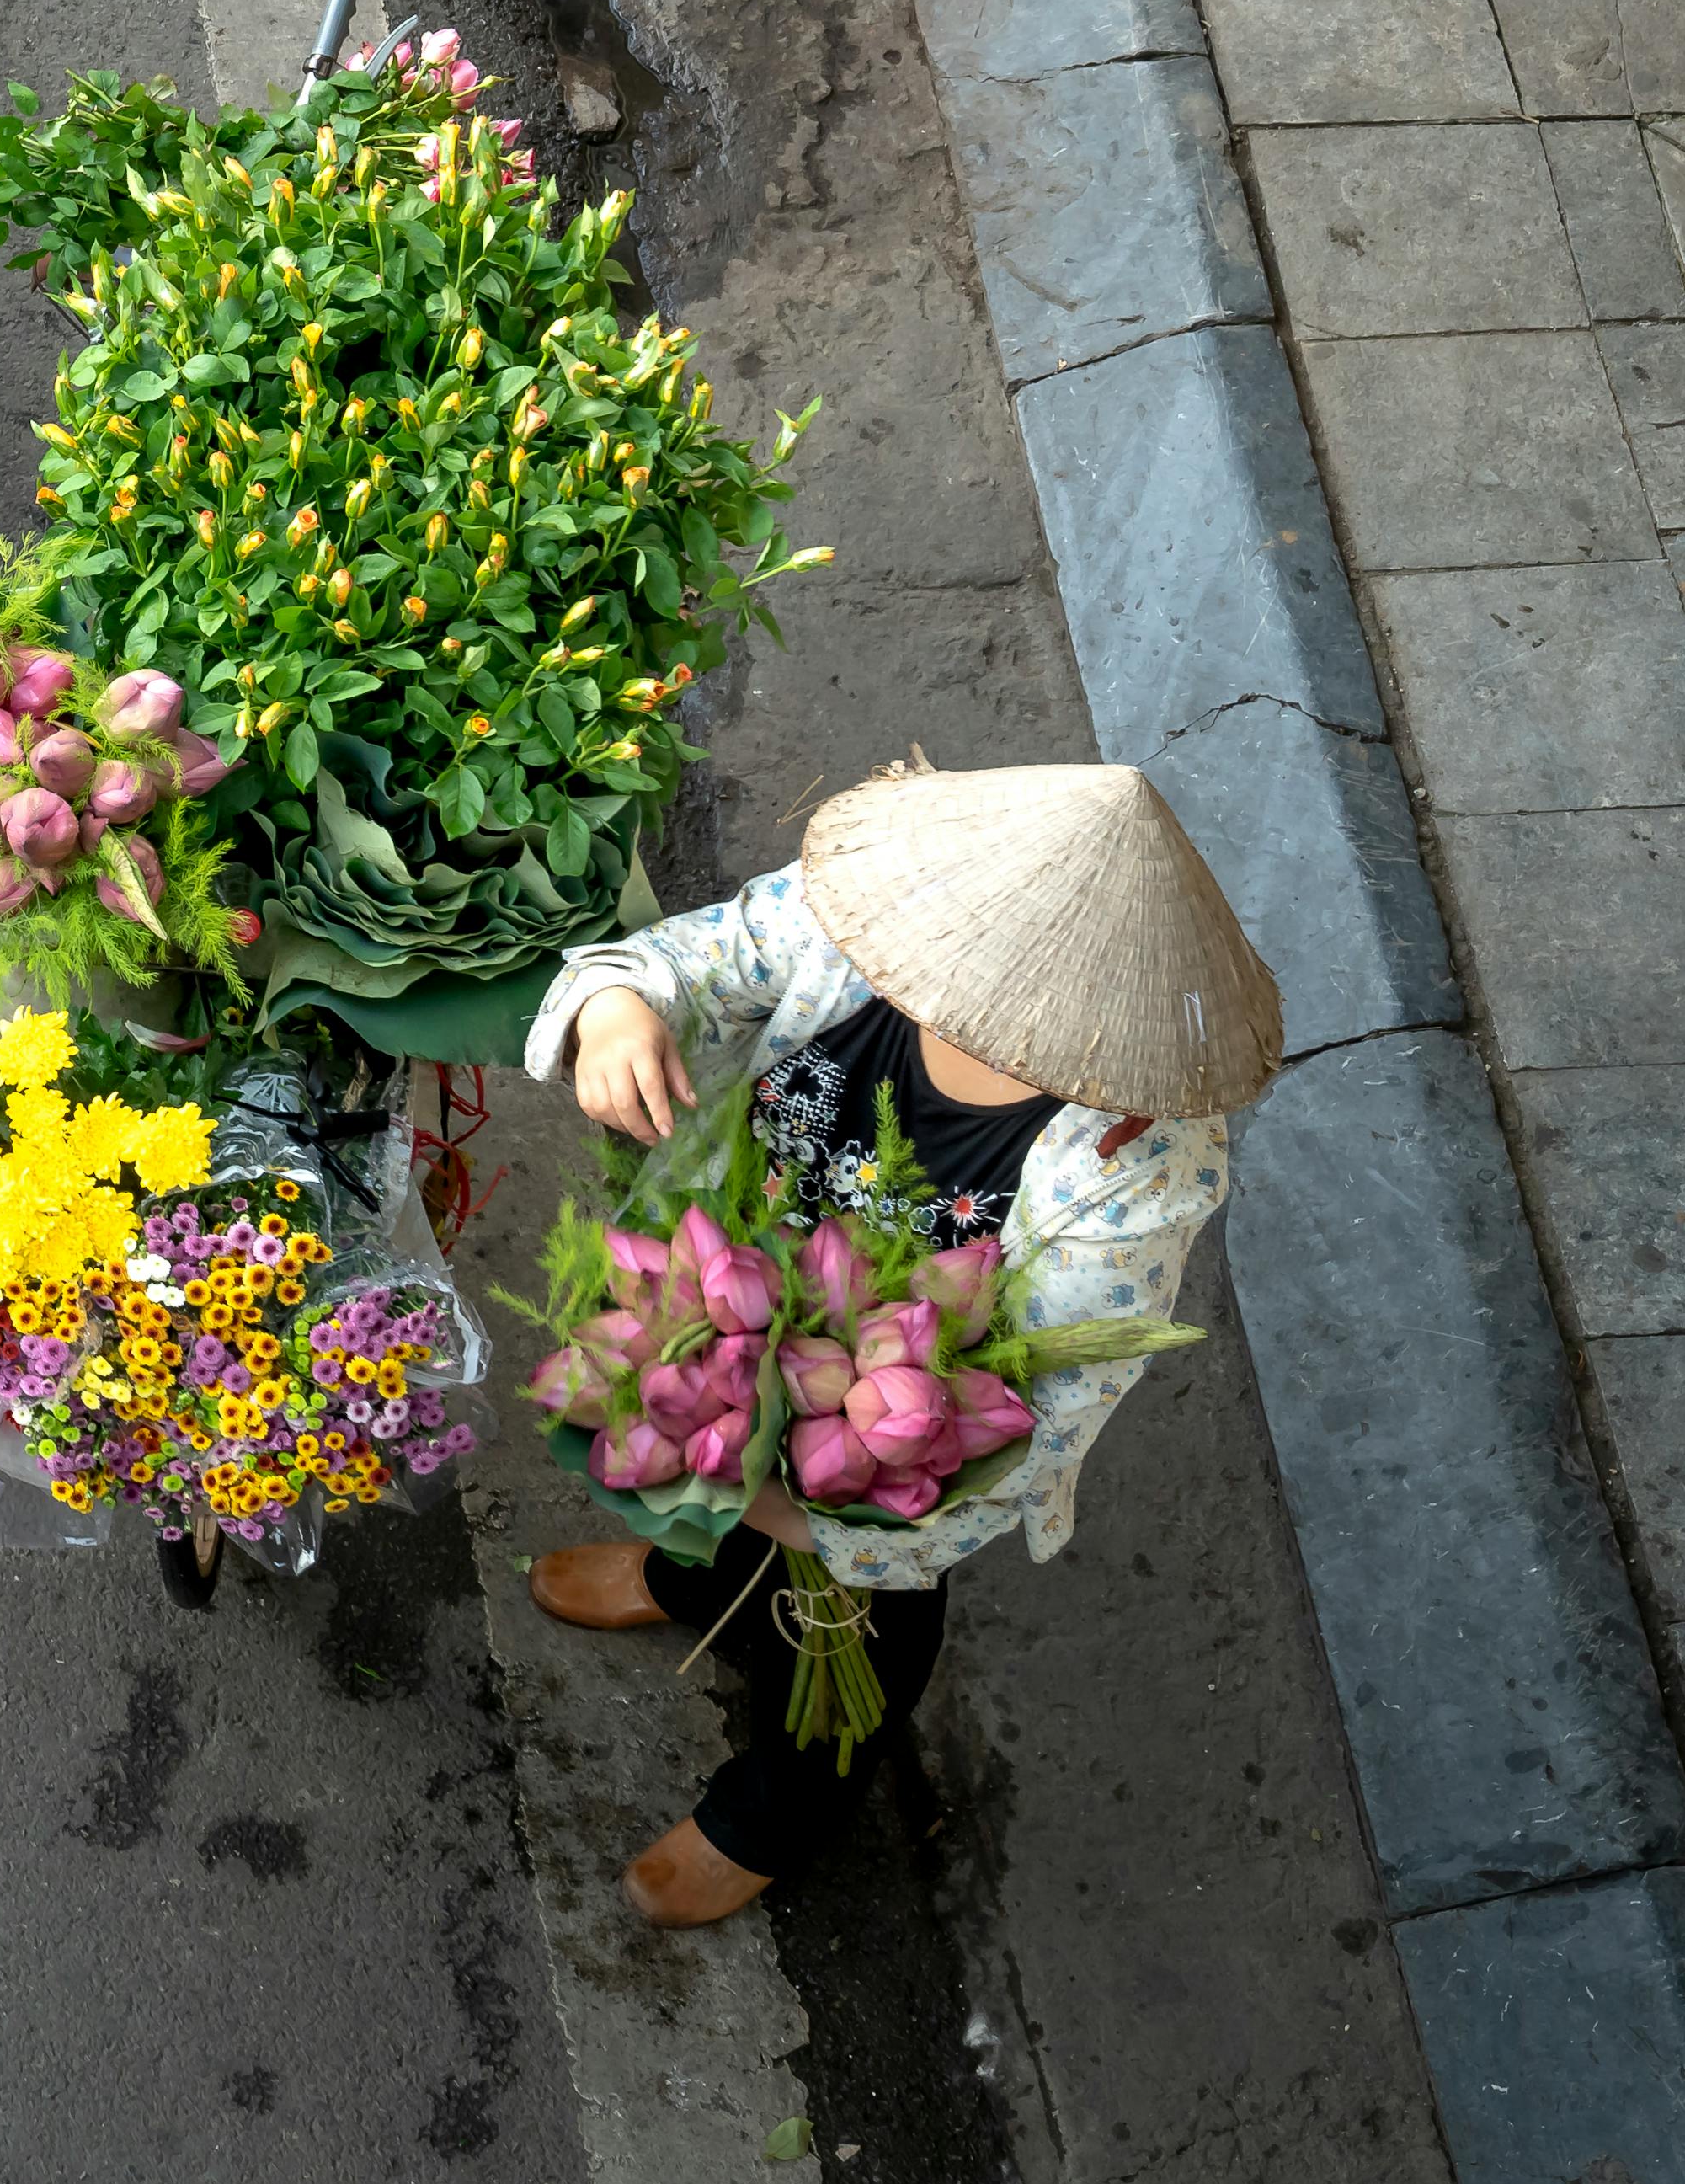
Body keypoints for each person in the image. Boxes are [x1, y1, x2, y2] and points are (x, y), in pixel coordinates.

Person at [516, 759, 1287, 1924]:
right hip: (730, 1320)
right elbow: (692, 959)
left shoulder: (1133, 1172)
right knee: (707, 1515)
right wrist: (619, 1008)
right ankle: (684, 1573)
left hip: (882, 1449)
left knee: (850, 1632)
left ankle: (777, 1811)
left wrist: (815, 1513)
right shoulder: (862, 920)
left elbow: (1042, 1416)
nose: (952, 995)